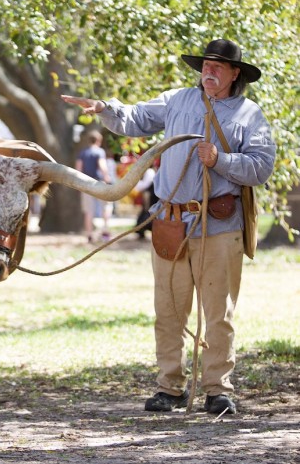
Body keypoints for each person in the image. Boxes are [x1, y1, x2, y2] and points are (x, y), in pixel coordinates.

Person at [62, 39, 275, 415]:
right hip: (171, 221)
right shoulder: (178, 99)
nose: (209, 71)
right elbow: (136, 118)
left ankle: (217, 390)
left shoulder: (249, 113)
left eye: (219, 66)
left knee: (218, 313)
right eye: (206, 64)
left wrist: (221, 160)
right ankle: (169, 388)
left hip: (220, 225)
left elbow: (261, 166)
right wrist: (104, 109)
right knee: (169, 310)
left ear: (235, 74)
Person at [76, 130, 112, 242]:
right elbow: (102, 165)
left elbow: (78, 169)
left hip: (86, 184)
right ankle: (105, 231)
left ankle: (89, 234)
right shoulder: (100, 152)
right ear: (98, 141)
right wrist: (107, 177)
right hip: (99, 182)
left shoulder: (83, 153)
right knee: (106, 206)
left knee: (88, 211)